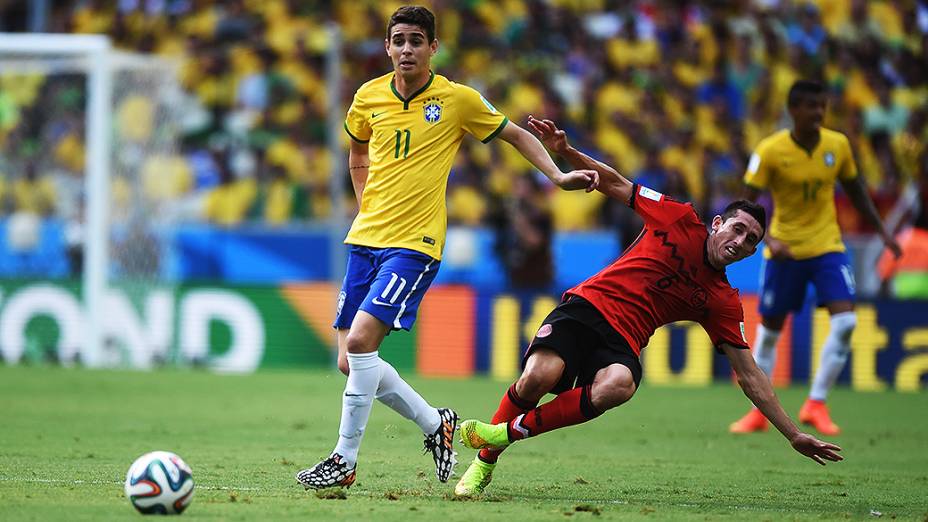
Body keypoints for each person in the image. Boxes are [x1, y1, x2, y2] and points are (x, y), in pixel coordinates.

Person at [453, 117, 843, 498]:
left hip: (626, 337)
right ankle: (486, 461)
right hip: (587, 306)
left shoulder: (722, 301)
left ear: (753, 252)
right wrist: (567, 152)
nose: (740, 241)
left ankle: (497, 438)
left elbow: (750, 374)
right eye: (737, 229)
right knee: (538, 376)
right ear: (717, 223)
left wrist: (793, 434)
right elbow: (615, 183)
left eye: (751, 240)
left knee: (619, 385)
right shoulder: (678, 217)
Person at [295, 6, 598, 491]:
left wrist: (558, 175)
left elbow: (516, 135)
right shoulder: (367, 96)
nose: (407, 49)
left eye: (417, 40)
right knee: (350, 363)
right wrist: (363, 203)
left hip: (414, 244)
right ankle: (437, 424)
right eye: (399, 40)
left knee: (359, 343)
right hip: (364, 239)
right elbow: (356, 152)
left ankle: (343, 460)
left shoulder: (456, 100)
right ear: (388, 46)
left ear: (433, 47)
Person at [729, 80, 902, 436]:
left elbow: (857, 192)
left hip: (827, 247)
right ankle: (757, 412)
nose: (819, 113)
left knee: (846, 323)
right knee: (771, 333)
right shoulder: (770, 150)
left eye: (823, 106)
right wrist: (770, 240)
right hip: (785, 252)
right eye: (812, 107)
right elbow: (745, 205)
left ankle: (816, 402)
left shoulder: (837, 145)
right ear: (794, 111)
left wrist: (884, 232)